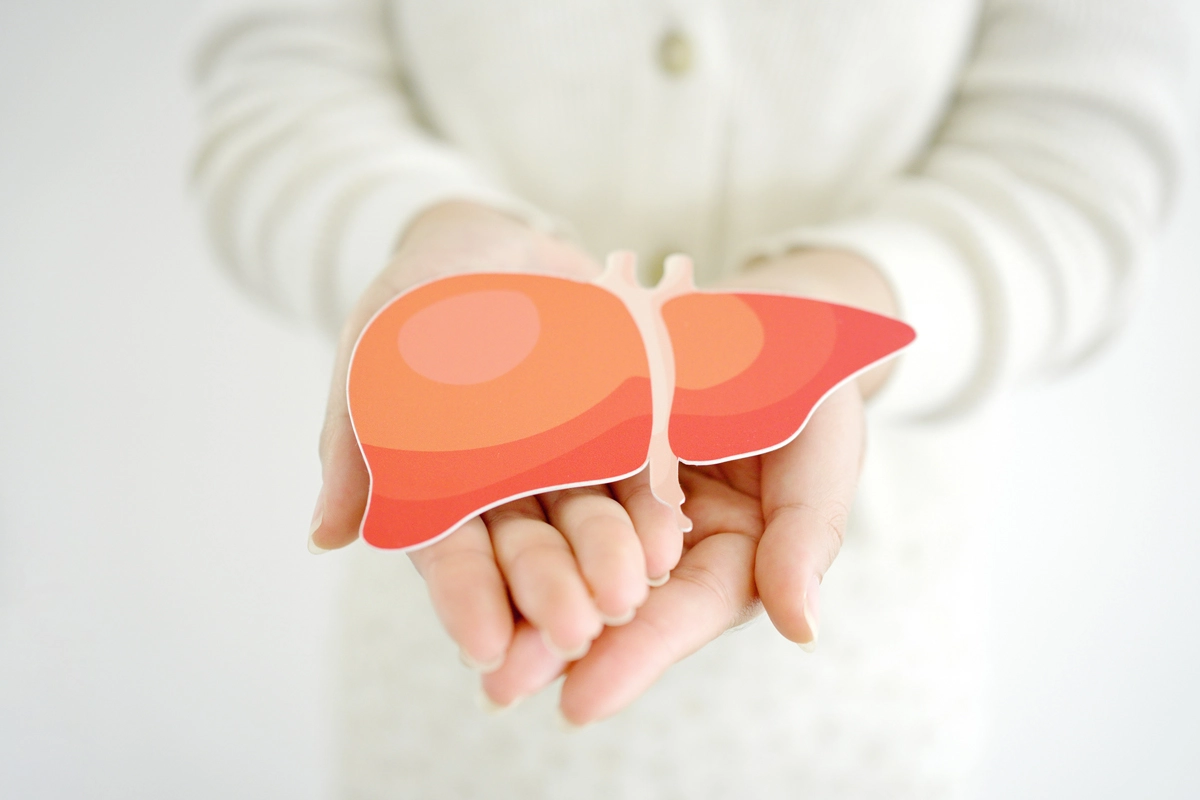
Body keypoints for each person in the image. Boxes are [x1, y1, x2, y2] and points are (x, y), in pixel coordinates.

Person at [192, 1, 1190, 796]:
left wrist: (848, 302)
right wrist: (427, 232)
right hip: (455, 666)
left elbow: (1080, 159)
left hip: (861, 683)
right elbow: (283, 89)